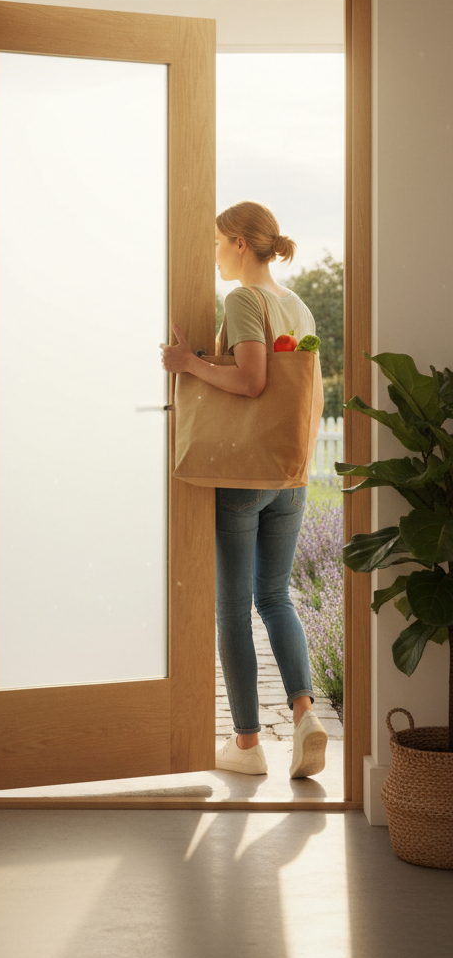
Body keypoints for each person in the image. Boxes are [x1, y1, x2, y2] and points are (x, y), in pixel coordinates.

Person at [160, 200, 327, 780]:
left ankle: (248, 744)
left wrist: (188, 363)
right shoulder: (297, 305)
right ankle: (305, 714)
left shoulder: (242, 300)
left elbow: (252, 381)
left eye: (215, 242)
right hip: (288, 474)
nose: (211, 254)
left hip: (242, 477)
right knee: (275, 597)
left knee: (233, 607)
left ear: (238, 242)